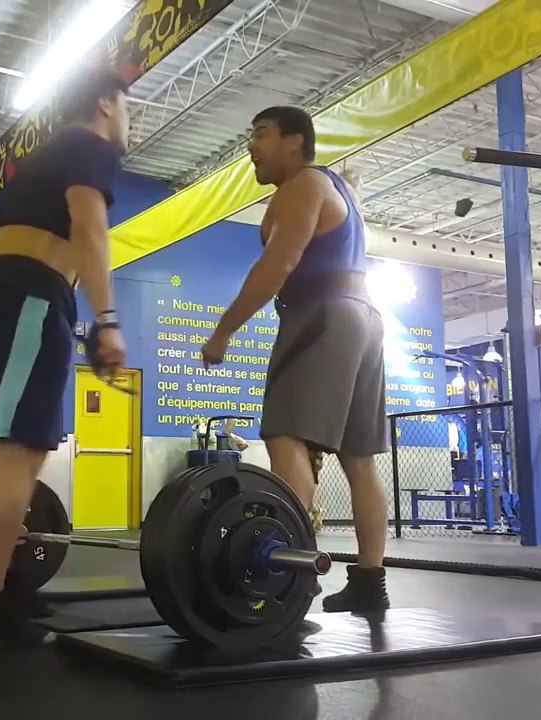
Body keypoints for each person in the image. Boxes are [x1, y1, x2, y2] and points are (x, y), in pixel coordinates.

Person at [0, 66, 130, 647]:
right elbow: (90, 228)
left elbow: (69, 241)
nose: (129, 122)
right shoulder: (89, 144)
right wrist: (107, 321)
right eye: (129, 108)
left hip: (22, 295)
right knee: (19, 454)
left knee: (22, 455)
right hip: (25, 295)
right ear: (107, 103)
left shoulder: (55, 153)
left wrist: (76, 317)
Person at [201, 106, 390, 615]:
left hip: (323, 314)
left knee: (285, 436)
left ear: (294, 142)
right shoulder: (333, 186)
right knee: (358, 459)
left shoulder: (302, 185)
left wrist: (223, 330)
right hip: (365, 317)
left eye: (260, 134)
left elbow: (277, 265)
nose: (251, 146)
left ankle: (291, 579)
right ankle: (370, 584)